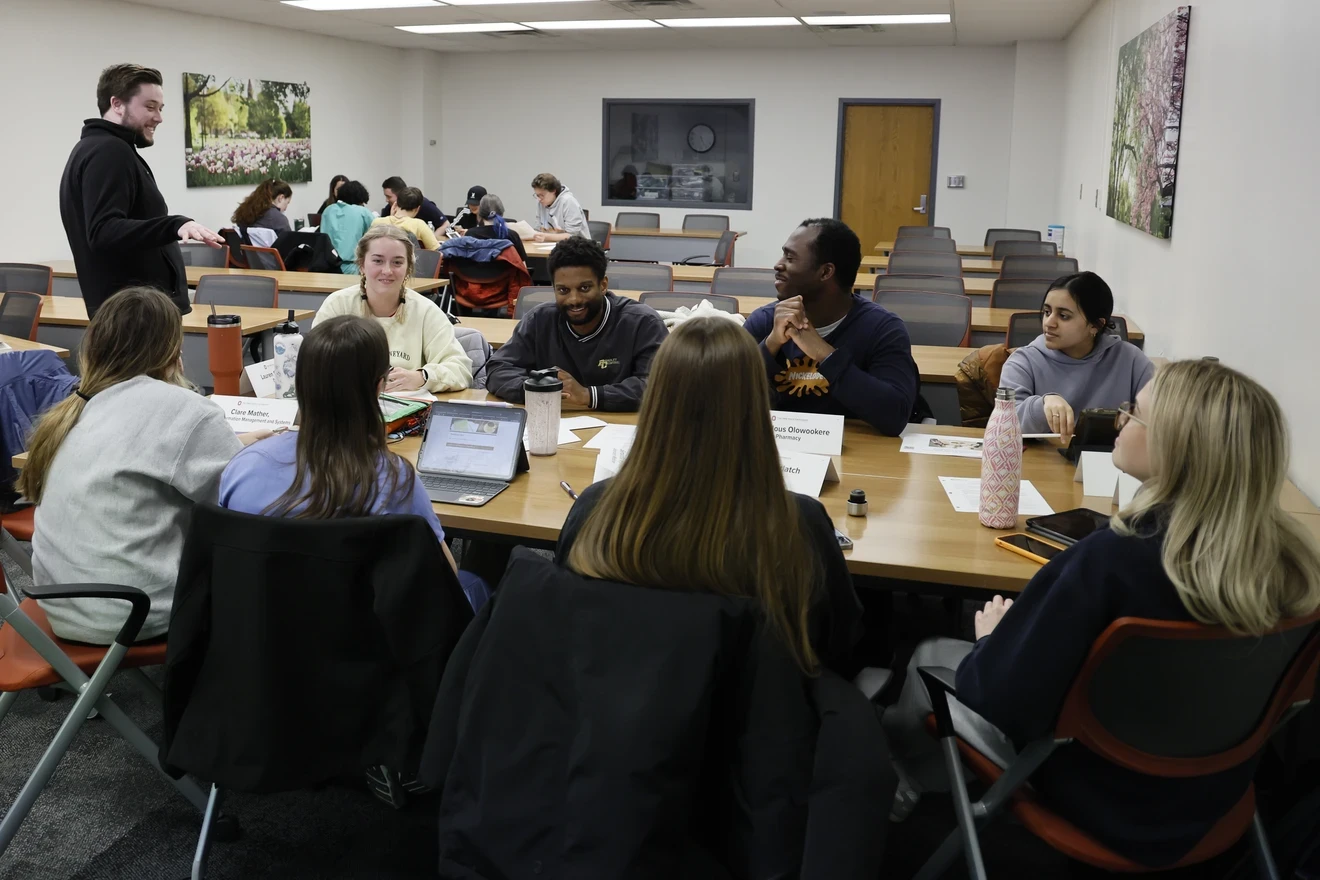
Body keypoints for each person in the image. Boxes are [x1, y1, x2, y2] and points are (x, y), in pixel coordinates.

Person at [882, 359, 1320, 867]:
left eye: (1135, 413)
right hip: (1213, 795)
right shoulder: (1296, 570)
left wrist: (993, 640)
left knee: (930, 655)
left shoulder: (1111, 561)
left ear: (1175, 449)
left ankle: (902, 799)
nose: (1120, 419)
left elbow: (999, 700)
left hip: (1095, 796)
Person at [558, 316, 863, 673]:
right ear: (755, 404)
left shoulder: (595, 509)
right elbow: (841, 645)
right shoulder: (798, 523)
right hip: (756, 716)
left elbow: (566, 624)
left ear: (656, 399)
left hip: (621, 713)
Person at [21, 287, 270, 645]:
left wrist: (236, 445)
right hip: (135, 613)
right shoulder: (186, 409)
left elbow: (151, 452)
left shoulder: (82, 406)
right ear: (174, 349)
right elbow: (239, 503)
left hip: (60, 607)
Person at [218, 315, 489, 612]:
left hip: (257, 641)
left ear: (299, 382)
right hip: (366, 648)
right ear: (378, 387)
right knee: (477, 582)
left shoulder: (243, 468)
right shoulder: (395, 480)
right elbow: (444, 581)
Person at [60, 63, 223, 317]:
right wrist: (174, 225)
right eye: (149, 107)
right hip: (133, 317)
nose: (158, 117)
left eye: (160, 108)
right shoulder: (109, 152)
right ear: (116, 104)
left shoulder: (101, 148)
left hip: (134, 314)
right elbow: (103, 230)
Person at [742, 219, 920, 436]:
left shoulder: (882, 329)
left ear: (826, 272)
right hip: (778, 453)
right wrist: (770, 345)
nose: (778, 265)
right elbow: (729, 401)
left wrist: (824, 353)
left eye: (790, 258)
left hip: (856, 455)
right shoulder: (765, 321)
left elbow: (895, 416)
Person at [486, 236, 666, 411]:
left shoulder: (642, 323)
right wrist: (537, 388)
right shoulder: (539, 320)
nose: (574, 299)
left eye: (584, 288)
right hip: (558, 426)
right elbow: (498, 369)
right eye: (563, 290)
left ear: (603, 285)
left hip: (623, 431)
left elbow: (658, 385)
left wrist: (588, 395)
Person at [314, 225, 472, 393]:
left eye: (397, 262)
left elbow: (460, 369)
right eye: (377, 261)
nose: (387, 271)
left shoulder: (426, 311)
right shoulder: (337, 305)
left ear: (408, 268)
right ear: (362, 265)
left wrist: (423, 377)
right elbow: (314, 363)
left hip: (408, 411)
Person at [998, 271, 1155, 438]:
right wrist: (1042, 404)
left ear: (1096, 325)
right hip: (1042, 462)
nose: (1049, 323)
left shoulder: (1131, 360)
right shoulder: (1023, 361)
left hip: (1109, 461)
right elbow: (1004, 425)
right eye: (1047, 312)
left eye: (1064, 316)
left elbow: (1160, 418)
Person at [319, 179, 376, 274]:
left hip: (327, 265)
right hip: (352, 266)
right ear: (360, 200)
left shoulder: (328, 210)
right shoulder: (362, 212)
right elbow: (377, 233)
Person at [372, 186, 439, 250]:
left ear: (396, 204)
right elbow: (436, 251)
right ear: (417, 208)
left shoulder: (377, 223)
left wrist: (391, 217)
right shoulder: (419, 225)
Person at [465, 193, 527, 263]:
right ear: (501, 213)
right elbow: (522, 266)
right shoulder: (512, 235)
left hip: (474, 273)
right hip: (506, 273)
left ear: (480, 213)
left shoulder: (470, 234)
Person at [530, 172, 590, 242]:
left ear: (553, 191)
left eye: (542, 195)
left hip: (577, 247)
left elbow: (572, 235)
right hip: (551, 246)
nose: (539, 199)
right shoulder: (541, 203)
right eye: (537, 195)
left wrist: (546, 237)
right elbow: (538, 229)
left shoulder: (568, 201)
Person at [381, 175, 448, 231]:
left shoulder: (423, 204)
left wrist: (432, 238)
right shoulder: (388, 209)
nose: (386, 200)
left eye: (389, 197)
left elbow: (445, 224)